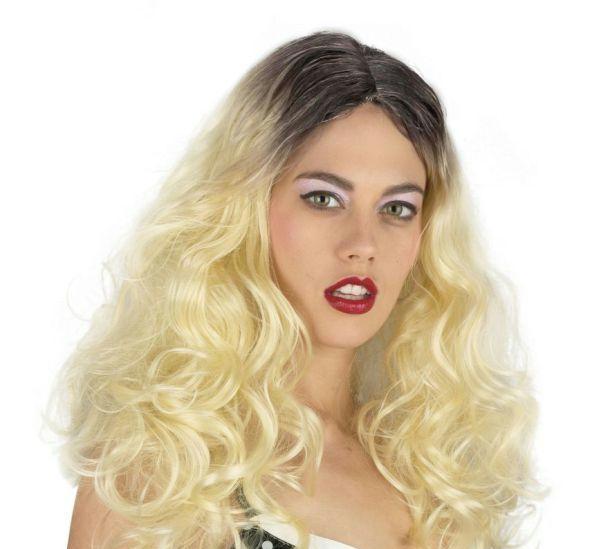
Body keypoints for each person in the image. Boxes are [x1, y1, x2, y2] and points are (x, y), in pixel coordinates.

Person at [44, 30, 547, 549]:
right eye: (324, 199)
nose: (362, 244)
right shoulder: (166, 465)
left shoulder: (439, 478)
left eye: (397, 208)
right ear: (246, 205)